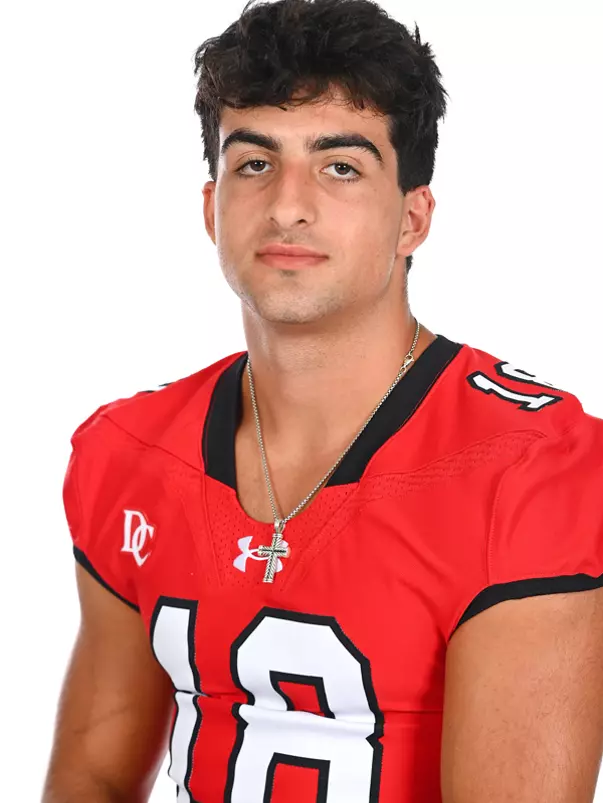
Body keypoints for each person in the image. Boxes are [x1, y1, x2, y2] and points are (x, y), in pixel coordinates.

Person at [42, 0, 603, 801]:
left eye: (339, 166)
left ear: (412, 218)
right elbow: (90, 777)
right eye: (254, 163)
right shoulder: (128, 451)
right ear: (211, 207)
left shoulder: (529, 466)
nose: (287, 205)